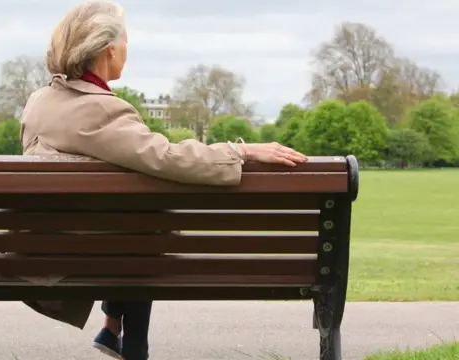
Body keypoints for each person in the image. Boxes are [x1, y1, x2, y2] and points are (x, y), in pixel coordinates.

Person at [19, 1, 308, 359]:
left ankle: (113, 329)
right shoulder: (102, 110)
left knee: (135, 223)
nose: (128, 47)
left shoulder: (38, 102)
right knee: (149, 228)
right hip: (80, 259)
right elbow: (169, 156)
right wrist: (243, 151)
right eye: (125, 39)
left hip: (38, 251)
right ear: (109, 49)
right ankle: (134, 345)